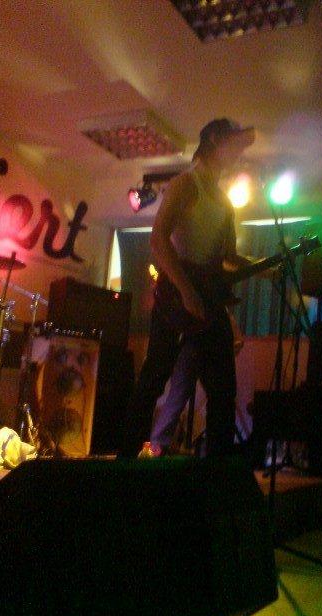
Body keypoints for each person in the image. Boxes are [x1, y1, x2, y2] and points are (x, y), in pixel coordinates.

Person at [120, 119, 255, 458]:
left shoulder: (225, 201)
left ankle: (216, 471)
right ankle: (125, 458)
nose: (239, 153)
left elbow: (228, 258)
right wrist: (186, 291)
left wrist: (265, 267)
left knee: (223, 390)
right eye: (234, 144)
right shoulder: (185, 183)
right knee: (155, 377)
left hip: (208, 300)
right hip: (176, 298)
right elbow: (158, 240)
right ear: (214, 140)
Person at [148, 311, 245, 456]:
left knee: (175, 399)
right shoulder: (218, 313)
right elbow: (236, 341)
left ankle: (156, 446)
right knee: (219, 400)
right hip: (207, 342)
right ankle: (217, 455)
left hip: (191, 342)